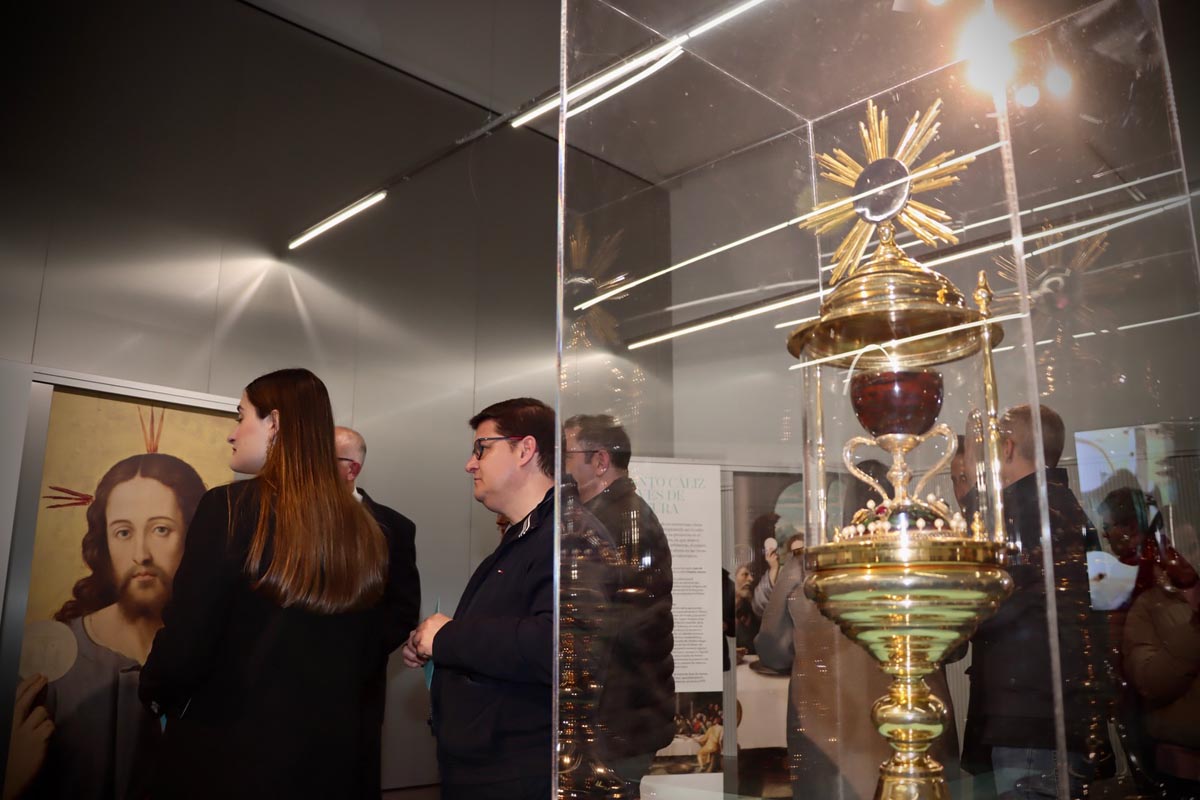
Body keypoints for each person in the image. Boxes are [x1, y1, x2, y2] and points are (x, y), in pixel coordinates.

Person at [138, 368, 392, 799]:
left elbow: (189, 637)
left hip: (227, 753)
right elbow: (366, 646)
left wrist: (155, 691)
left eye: (241, 417)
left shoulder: (230, 509)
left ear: (273, 422)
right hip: (326, 758)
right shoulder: (364, 527)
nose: (232, 434)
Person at [5, 454, 206, 800]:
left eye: (161, 529)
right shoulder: (52, 657)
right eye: (123, 532)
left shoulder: (214, 654)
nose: (141, 554)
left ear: (192, 537)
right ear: (104, 543)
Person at [756, 466, 960, 800]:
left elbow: (772, 651)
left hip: (828, 735)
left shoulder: (808, 563)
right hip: (915, 731)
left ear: (847, 507)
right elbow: (955, 647)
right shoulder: (922, 559)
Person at [401, 398, 555, 799]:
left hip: (518, 773)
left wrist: (449, 639)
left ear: (525, 449)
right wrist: (436, 642)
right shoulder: (524, 536)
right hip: (488, 765)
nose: (471, 464)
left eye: (481, 448)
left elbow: (552, 642)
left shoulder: (562, 538)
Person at [965, 403, 1110, 797]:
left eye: (986, 449)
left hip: (1031, 713)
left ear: (1007, 448)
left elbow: (992, 603)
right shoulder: (1062, 508)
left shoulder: (1025, 515)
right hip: (1056, 707)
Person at [564, 414, 674, 796]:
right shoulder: (600, 517)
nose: (560, 465)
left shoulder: (623, 522)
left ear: (600, 461)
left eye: (566, 454)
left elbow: (616, 628)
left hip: (616, 719)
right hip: (615, 715)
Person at [334, 426, 420, 798]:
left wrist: (358, 652)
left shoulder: (394, 528)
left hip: (356, 685)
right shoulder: (290, 518)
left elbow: (403, 608)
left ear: (351, 469)